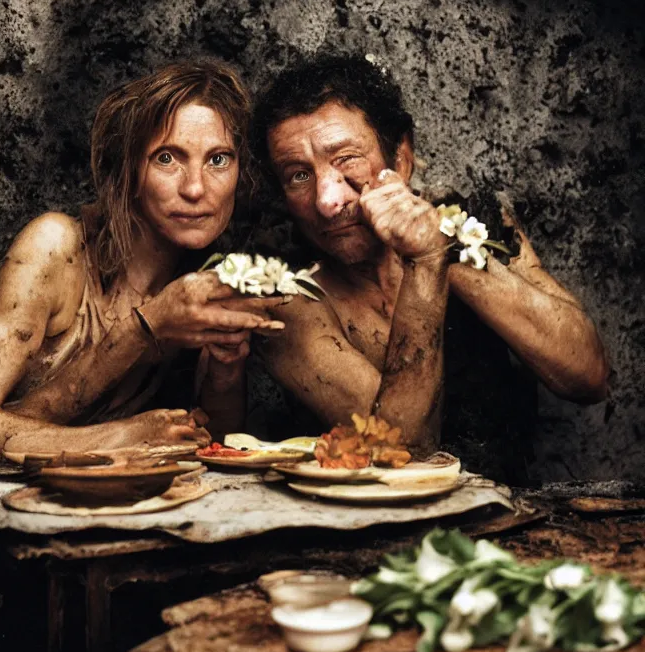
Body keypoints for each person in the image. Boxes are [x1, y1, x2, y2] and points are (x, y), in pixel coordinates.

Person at [250, 54, 608, 477]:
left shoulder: (476, 223)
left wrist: (443, 250)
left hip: (509, 513)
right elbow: (405, 455)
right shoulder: (283, 298)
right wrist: (425, 263)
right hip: (374, 529)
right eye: (298, 175)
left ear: (400, 159)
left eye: (346, 159)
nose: (328, 201)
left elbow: (588, 375)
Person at [0, 60, 283, 461]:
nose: (195, 188)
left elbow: (218, 447)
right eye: (167, 158)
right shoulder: (55, 247)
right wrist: (122, 431)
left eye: (218, 159)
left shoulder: (197, 277)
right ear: (129, 169)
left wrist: (226, 372)